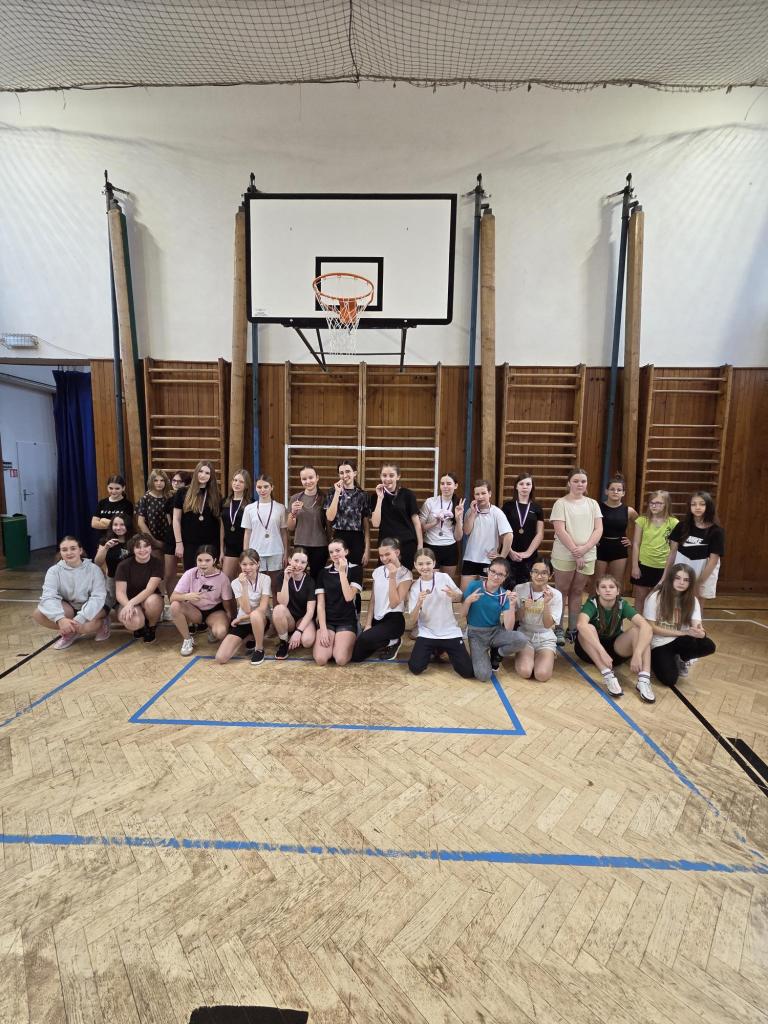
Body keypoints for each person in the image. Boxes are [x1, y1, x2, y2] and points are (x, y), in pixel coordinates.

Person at [575, 575, 654, 703]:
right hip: (590, 651)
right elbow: (581, 625)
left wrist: (637, 654)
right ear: (597, 591)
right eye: (603, 587)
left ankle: (644, 680)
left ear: (617, 591)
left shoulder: (622, 604)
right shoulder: (592, 603)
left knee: (639, 631)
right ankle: (607, 675)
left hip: (615, 651)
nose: (607, 590)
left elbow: (647, 627)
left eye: (611, 587)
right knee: (587, 628)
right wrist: (602, 652)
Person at [550, 467, 603, 646]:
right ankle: (558, 627)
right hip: (564, 553)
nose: (580, 484)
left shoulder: (593, 504)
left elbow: (598, 529)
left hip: (588, 554)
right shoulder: (561, 503)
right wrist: (575, 551)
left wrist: (585, 548)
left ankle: (572, 628)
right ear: (569, 483)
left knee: (578, 591)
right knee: (562, 590)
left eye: (583, 481)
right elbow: (560, 529)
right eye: (576, 481)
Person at [644, 564, 716, 685]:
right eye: (677, 578)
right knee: (669, 680)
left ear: (690, 583)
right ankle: (655, 659)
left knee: (708, 645)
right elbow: (652, 627)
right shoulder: (656, 597)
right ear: (670, 578)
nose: (681, 582)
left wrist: (701, 632)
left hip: (680, 640)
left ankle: (682, 658)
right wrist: (683, 632)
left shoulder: (693, 600)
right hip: (660, 642)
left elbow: (697, 625)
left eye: (686, 580)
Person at [407, 548, 474, 679]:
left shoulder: (444, 577)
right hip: (428, 632)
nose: (424, 567)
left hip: (449, 631)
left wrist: (454, 595)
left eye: (428, 563)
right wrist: (419, 603)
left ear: (434, 563)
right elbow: (412, 619)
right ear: (415, 565)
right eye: (420, 564)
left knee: (467, 672)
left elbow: (460, 597)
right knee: (415, 668)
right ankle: (435, 649)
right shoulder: (415, 587)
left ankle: (440, 649)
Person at [33, 536, 109, 649]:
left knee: (82, 628)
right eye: (64, 550)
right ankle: (70, 631)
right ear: (60, 552)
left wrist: (80, 618)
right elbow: (48, 597)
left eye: (73, 548)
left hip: (94, 607)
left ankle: (102, 623)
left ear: (80, 550)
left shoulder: (94, 569)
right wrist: (60, 619)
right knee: (38, 614)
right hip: (71, 605)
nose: (69, 553)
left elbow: (98, 598)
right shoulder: (54, 571)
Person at [463, 556, 527, 681]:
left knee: (521, 639)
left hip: (495, 632)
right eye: (493, 572)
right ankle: (484, 655)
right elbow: (462, 614)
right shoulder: (474, 586)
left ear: (505, 577)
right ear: (488, 570)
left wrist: (512, 605)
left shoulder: (504, 595)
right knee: (483, 675)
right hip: (476, 634)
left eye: (501, 574)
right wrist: (468, 601)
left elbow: (508, 627)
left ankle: (497, 653)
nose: (496, 576)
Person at [352, 537, 413, 662]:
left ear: (397, 552)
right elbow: (373, 600)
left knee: (364, 640)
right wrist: (368, 624)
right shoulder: (378, 571)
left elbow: (394, 603)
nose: (384, 558)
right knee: (357, 656)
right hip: (377, 619)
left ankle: (394, 640)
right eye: (381, 555)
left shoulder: (406, 574)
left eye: (387, 554)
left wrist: (392, 577)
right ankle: (388, 641)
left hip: (393, 620)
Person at [170, 545, 234, 656]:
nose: (203, 564)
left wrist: (229, 615)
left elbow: (226, 601)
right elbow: (173, 597)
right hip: (195, 611)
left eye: (207, 560)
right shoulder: (190, 573)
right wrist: (187, 596)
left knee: (221, 632)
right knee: (175, 606)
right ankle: (187, 639)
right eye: (200, 560)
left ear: (214, 560)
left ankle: (211, 628)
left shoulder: (222, 578)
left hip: (214, 611)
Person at [665, 491, 725, 602]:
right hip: (682, 568)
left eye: (702, 504)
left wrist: (698, 583)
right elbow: (672, 553)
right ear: (689, 507)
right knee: (677, 601)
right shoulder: (681, 526)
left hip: (703, 570)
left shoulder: (716, 531)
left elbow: (713, 561)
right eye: (694, 504)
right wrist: (665, 576)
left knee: (696, 603)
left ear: (709, 506)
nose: (697, 507)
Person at [215, 549, 271, 666]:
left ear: (258, 564)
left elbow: (262, 608)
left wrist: (241, 618)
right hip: (243, 623)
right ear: (240, 565)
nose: (248, 567)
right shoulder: (235, 583)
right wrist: (244, 585)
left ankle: (259, 649)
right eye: (244, 564)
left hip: (260, 620)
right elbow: (246, 609)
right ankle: (250, 637)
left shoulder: (265, 579)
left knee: (255, 614)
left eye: (252, 564)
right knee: (221, 658)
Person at [313, 540, 363, 667]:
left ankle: (350, 637)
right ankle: (332, 643)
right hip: (328, 621)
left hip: (347, 620)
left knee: (340, 659)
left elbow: (348, 597)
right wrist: (323, 629)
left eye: (338, 550)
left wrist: (341, 571)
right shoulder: (323, 572)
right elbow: (320, 604)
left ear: (346, 551)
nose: (334, 554)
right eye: (331, 552)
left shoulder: (356, 569)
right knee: (321, 659)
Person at [513, 558, 562, 682]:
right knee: (525, 672)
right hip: (524, 635)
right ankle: (526, 655)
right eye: (535, 572)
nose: (539, 576)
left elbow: (548, 625)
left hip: (545, 637)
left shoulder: (556, 594)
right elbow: (515, 618)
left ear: (550, 575)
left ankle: (543, 655)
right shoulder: (519, 589)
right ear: (530, 573)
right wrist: (524, 607)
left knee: (542, 675)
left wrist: (546, 604)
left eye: (544, 573)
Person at [631, 490, 678, 615]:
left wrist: (667, 571)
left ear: (666, 504)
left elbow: (674, 549)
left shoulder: (673, 523)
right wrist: (635, 566)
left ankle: (653, 624)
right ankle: (638, 624)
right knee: (640, 597)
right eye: (652, 503)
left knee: (657, 599)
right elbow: (636, 544)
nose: (654, 506)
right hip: (644, 564)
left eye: (658, 503)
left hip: (662, 566)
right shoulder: (642, 520)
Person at [460, 480, 513, 590]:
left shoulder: (497, 512)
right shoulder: (470, 511)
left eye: (483, 493)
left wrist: (502, 557)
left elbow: (509, 535)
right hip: (470, 558)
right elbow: (466, 531)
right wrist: (473, 513)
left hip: (488, 561)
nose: (480, 497)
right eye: (477, 494)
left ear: (489, 494)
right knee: (465, 593)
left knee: (485, 594)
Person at [369, 463, 423, 570]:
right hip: (386, 545)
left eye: (391, 475)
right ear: (380, 476)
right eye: (384, 475)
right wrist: (380, 498)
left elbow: (416, 522)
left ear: (398, 476)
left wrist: (420, 545)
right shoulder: (375, 496)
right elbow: (375, 524)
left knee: (404, 576)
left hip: (407, 543)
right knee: (384, 576)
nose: (387, 479)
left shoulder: (407, 494)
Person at [113, 533, 164, 644]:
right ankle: (141, 626)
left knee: (153, 601)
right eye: (138, 547)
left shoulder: (157, 563)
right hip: (128, 600)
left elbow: (149, 590)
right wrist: (128, 605)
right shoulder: (123, 565)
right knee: (134, 622)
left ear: (151, 547)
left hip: (148, 599)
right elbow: (120, 592)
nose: (142, 550)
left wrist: (131, 603)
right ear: (132, 549)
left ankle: (151, 626)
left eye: (146, 546)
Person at [173, 460, 222, 571]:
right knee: (191, 575)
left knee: (209, 576)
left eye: (207, 473)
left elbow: (219, 522)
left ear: (211, 476)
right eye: (201, 471)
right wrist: (179, 543)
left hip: (211, 544)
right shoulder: (182, 492)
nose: (203, 475)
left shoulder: (216, 495)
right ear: (196, 472)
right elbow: (176, 519)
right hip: (190, 544)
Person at [242, 474, 288, 592]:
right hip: (256, 552)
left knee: (276, 586)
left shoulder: (280, 508)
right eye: (259, 487)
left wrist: (286, 553)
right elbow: (247, 533)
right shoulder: (249, 509)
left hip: (276, 551)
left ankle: (276, 605)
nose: (262, 490)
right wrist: (246, 554)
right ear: (255, 488)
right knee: (257, 587)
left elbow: (283, 532)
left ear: (272, 487)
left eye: (266, 487)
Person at [323, 459, 370, 567]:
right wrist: (337, 493)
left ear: (355, 473)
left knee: (355, 570)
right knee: (339, 569)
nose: (345, 475)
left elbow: (366, 523)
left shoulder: (363, 495)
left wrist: (367, 548)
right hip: (339, 535)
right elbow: (329, 517)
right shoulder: (332, 492)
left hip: (357, 537)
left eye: (348, 471)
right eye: (341, 473)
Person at [272, 547, 317, 661]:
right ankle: (284, 642)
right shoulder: (281, 577)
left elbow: (310, 611)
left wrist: (299, 631)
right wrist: (286, 580)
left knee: (307, 642)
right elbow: (283, 603)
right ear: (289, 560)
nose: (298, 565)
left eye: (303, 562)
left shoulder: (310, 581)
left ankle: (293, 635)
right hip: (289, 619)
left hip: (303, 619)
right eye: (296, 560)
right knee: (278, 609)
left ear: (306, 564)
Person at [500, 471, 545, 586]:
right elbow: (501, 531)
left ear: (532, 487)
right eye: (521, 484)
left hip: (529, 557)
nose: (524, 487)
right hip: (509, 554)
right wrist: (509, 551)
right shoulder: (507, 506)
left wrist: (528, 553)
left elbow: (540, 533)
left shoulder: (537, 508)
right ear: (516, 486)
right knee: (507, 587)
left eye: (528, 484)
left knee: (525, 589)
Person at [287, 465, 329, 583]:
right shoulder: (295, 498)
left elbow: (329, 525)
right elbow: (290, 527)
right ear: (301, 480)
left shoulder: (324, 498)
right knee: (298, 577)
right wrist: (293, 513)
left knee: (317, 578)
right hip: (300, 544)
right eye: (304, 479)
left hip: (319, 545)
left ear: (317, 478)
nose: (308, 481)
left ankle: (316, 596)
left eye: (311, 477)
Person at [419, 472, 464, 580]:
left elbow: (458, 537)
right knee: (430, 582)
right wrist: (434, 523)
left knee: (446, 584)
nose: (445, 486)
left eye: (449, 483)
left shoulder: (458, 504)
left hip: (450, 549)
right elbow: (420, 528)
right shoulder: (430, 502)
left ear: (455, 486)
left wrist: (458, 519)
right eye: (442, 483)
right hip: (431, 547)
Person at [595, 474, 637, 587]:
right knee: (597, 583)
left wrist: (633, 541)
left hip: (619, 548)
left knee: (616, 583)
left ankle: (615, 599)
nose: (615, 492)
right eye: (612, 489)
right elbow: (587, 525)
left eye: (619, 490)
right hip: (600, 547)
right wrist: (591, 540)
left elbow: (642, 526)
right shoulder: (597, 508)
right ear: (606, 491)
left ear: (623, 493)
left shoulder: (629, 511)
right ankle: (596, 599)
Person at [162, 470, 191, 616]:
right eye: (174, 481)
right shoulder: (169, 499)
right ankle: (173, 603)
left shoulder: (188, 497)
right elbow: (171, 520)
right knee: (169, 574)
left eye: (179, 481)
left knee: (188, 572)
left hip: (187, 537)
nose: (176, 484)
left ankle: (188, 607)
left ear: (187, 483)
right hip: (170, 539)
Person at [93, 513, 130, 612]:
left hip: (131, 581)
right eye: (115, 525)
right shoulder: (105, 540)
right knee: (114, 608)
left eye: (122, 524)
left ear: (128, 525)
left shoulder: (134, 540)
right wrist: (105, 548)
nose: (118, 528)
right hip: (112, 580)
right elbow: (97, 563)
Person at [221, 469, 252, 581]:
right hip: (230, 548)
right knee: (226, 579)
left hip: (245, 547)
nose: (237, 483)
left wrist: (247, 552)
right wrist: (221, 550)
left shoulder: (251, 504)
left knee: (243, 581)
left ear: (246, 485)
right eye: (235, 480)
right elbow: (222, 527)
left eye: (241, 481)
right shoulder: (224, 502)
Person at [136, 469, 172, 551]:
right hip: (152, 538)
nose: (159, 483)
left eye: (162, 480)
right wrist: (153, 541)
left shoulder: (170, 497)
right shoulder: (145, 498)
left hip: (169, 538)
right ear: (151, 482)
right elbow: (140, 522)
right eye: (156, 480)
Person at [91, 474, 134, 541]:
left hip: (121, 540)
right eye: (111, 488)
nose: (113, 491)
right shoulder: (102, 503)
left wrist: (103, 521)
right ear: (107, 487)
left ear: (123, 488)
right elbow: (94, 524)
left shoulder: (127, 504)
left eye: (117, 488)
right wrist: (115, 525)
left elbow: (126, 525)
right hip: (103, 540)